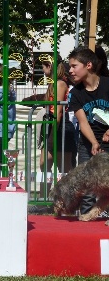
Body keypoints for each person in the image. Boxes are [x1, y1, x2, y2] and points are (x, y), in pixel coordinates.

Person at [67, 46, 109, 215]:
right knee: (88, 186)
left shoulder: (107, 84)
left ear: (88, 65)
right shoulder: (75, 93)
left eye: (74, 66)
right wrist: (93, 142)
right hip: (88, 145)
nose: (70, 70)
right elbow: (82, 122)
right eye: (69, 67)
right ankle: (85, 224)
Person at [38, 54, 76, 174]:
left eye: (43, 67)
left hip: (60, 127)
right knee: (44, 166)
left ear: (49, 66)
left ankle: (66, 193)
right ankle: (43, 193)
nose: (43, 71)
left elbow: (58, 112)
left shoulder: (59, 84)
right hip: (52, 125)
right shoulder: (54, 83)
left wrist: (52, 137)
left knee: (64, 168)